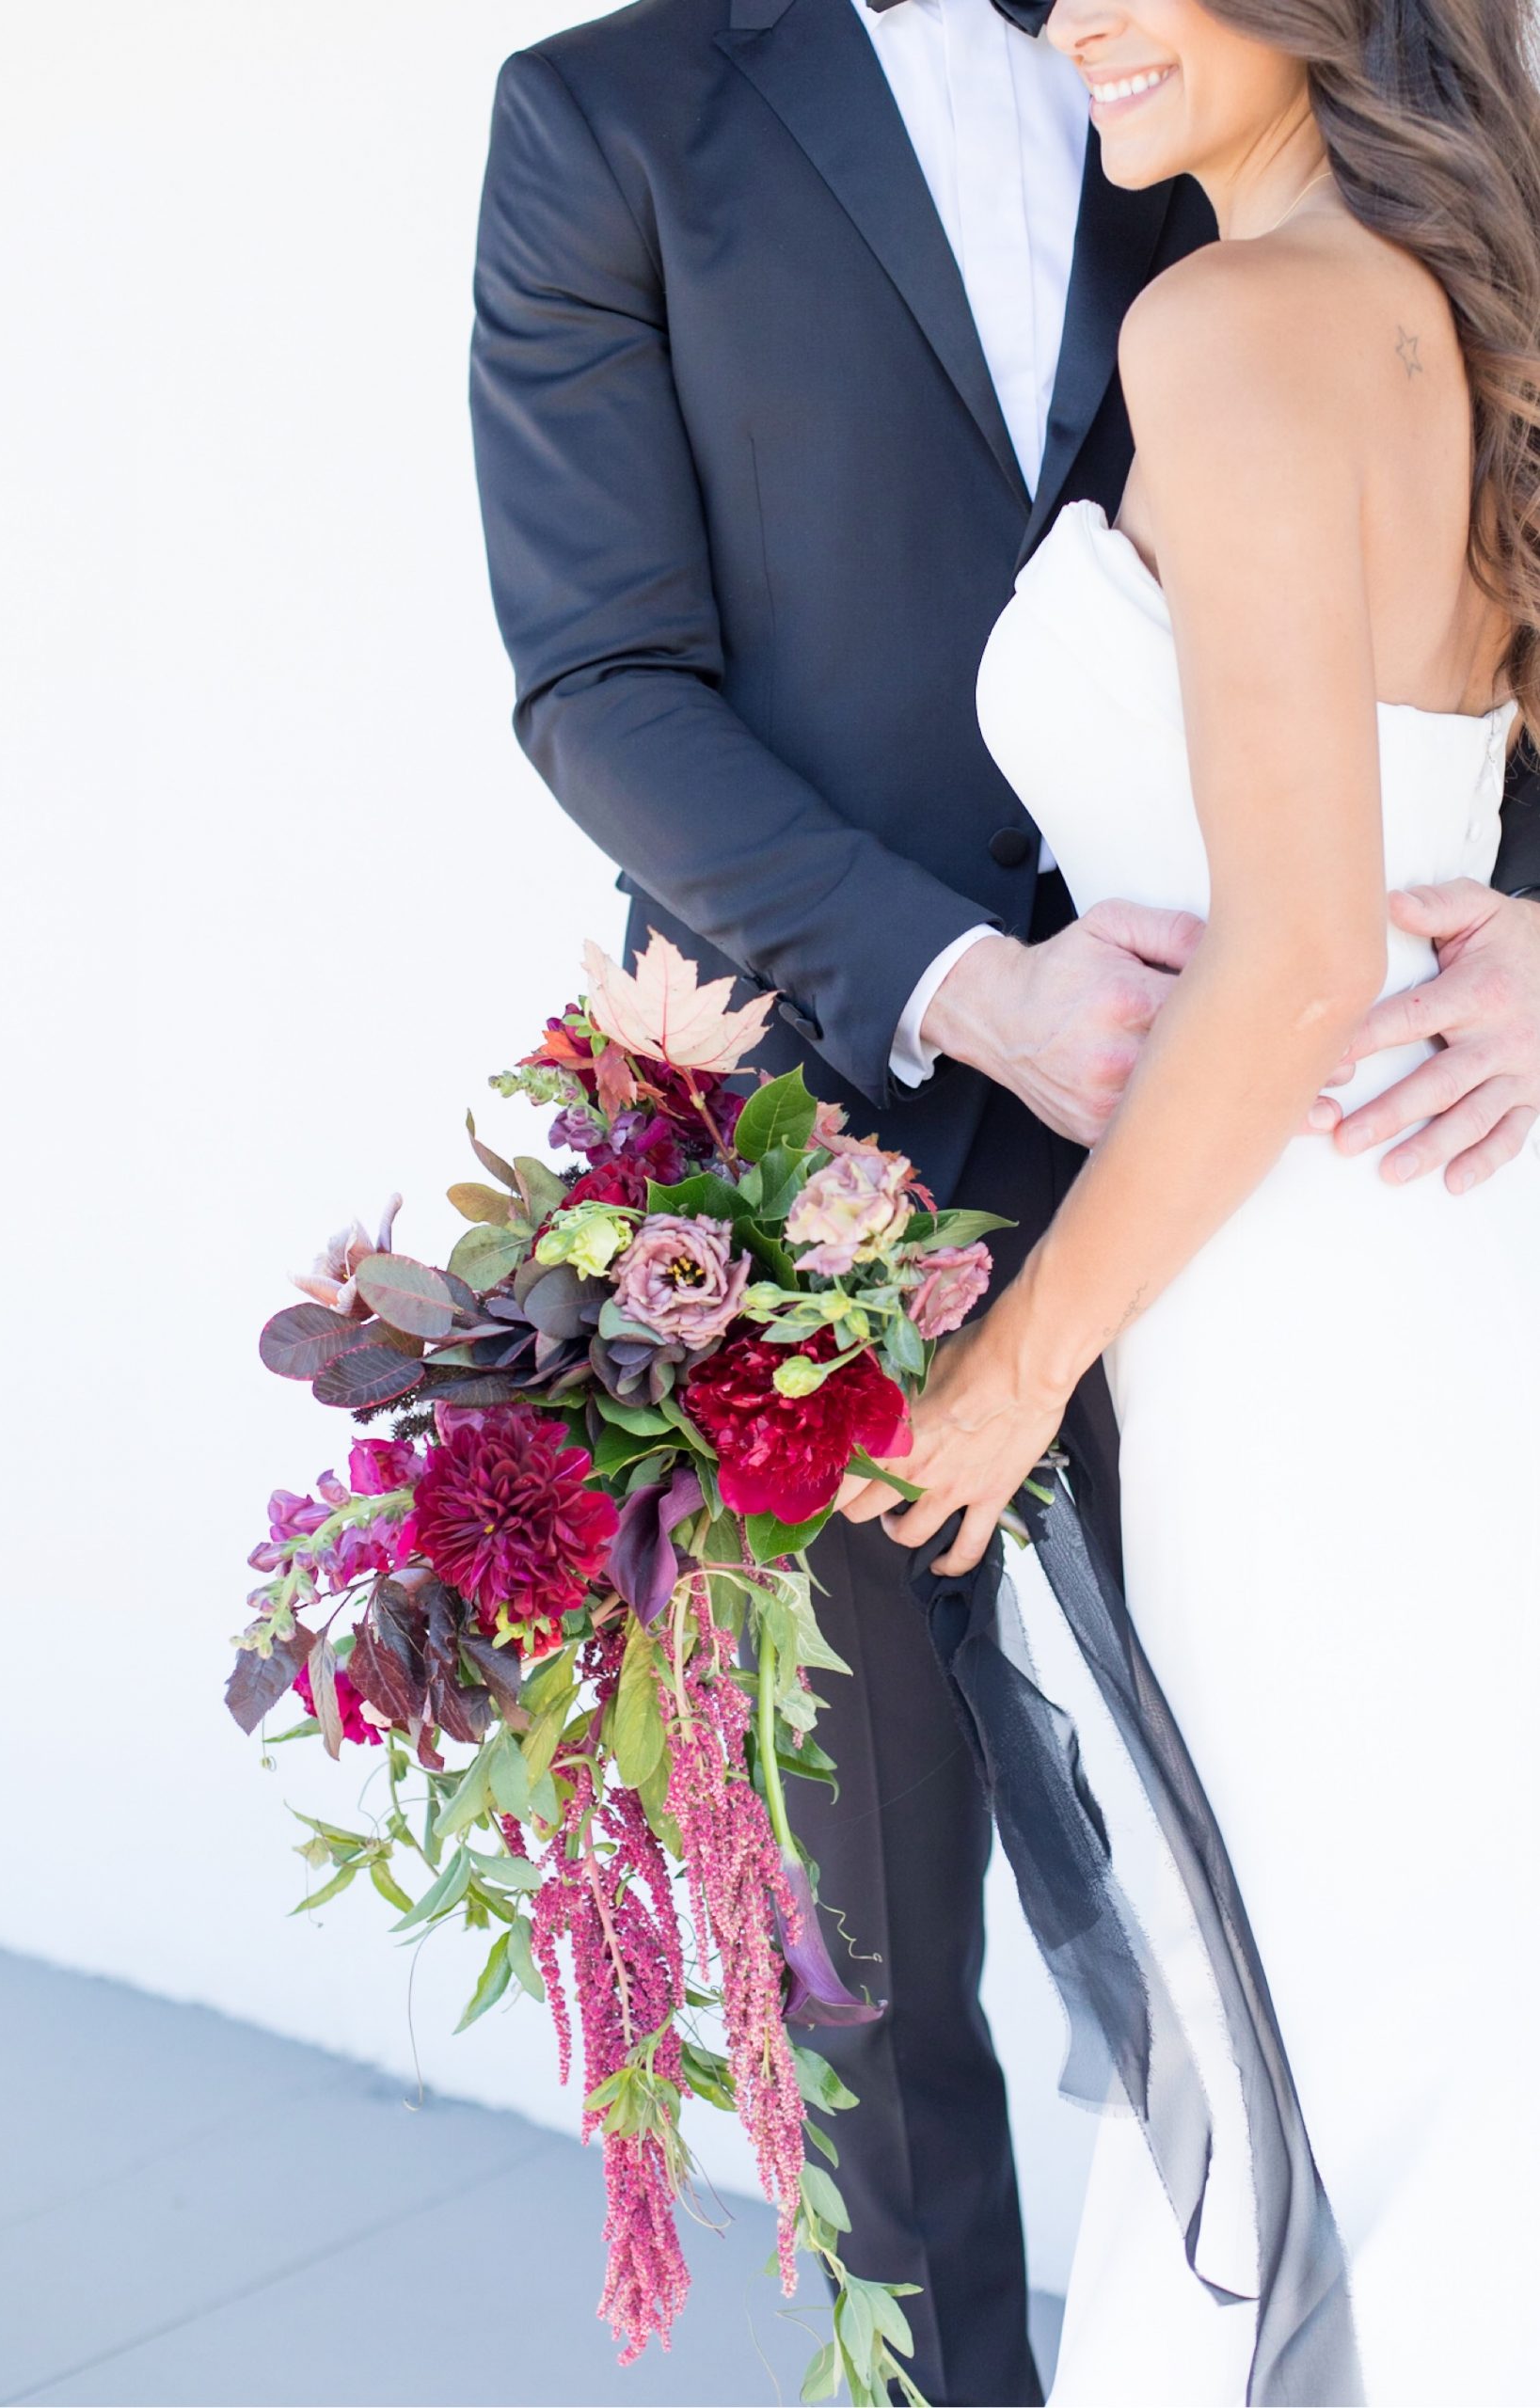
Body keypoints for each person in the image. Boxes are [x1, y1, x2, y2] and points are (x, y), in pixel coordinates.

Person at [469, 2, 1540, 2396]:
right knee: (888, 1984)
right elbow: (597, 676)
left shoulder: (1250, 207)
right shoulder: (609, 118)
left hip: (1299, 1213)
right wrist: (960, 983)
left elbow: (1329, 846)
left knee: (1349, 1974)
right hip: (873, 1154)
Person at [841, 0, 1540, 2395]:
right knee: (1398, 2029)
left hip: (1307, 1303)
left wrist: (1002, 1376)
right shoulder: (1436, 295)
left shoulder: (1230, 319)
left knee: (1328, 2053)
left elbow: (1297, 949)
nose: (1073, 16)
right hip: (1407, 1259)